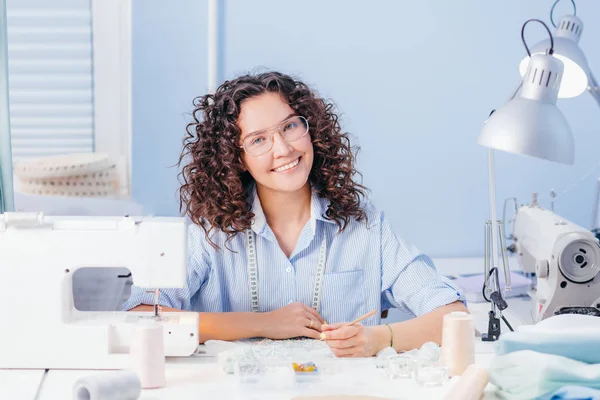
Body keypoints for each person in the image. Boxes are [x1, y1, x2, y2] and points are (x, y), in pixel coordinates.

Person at [123, 71, 467, 357]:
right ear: (236, 158)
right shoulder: (208, 232)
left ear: (311, 129)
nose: (284, 149)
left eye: (290, 127)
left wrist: (380, 338)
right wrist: (263, 323)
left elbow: (453, 316)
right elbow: (141, 319)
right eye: (258, 140)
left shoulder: (365, 226)